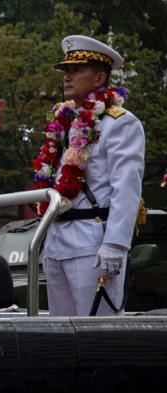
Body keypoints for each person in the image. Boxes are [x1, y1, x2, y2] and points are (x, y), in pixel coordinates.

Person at [37, 35, 145, 317]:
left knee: (97, 341)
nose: (67, 77)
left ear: (99, 78)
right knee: (62, 339)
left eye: (76, 70)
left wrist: (115, 245)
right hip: (57, 242)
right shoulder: (64, 123)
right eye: (66, 71)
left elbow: (127, 188)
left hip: (93, 245)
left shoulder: (120, 123)